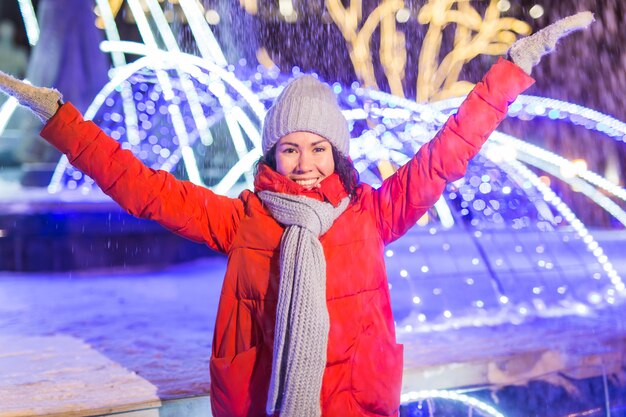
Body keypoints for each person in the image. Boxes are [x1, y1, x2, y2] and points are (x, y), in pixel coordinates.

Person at [0, 12, 594, 417]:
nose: (305, 163)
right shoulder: (244, 219)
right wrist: (59, 118)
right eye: (291, 148)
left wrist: (512, 68)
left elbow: (448, 153)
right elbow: (141, 187)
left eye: (317, 148)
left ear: (335, 153)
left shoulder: (370, 213)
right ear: (273, 154)